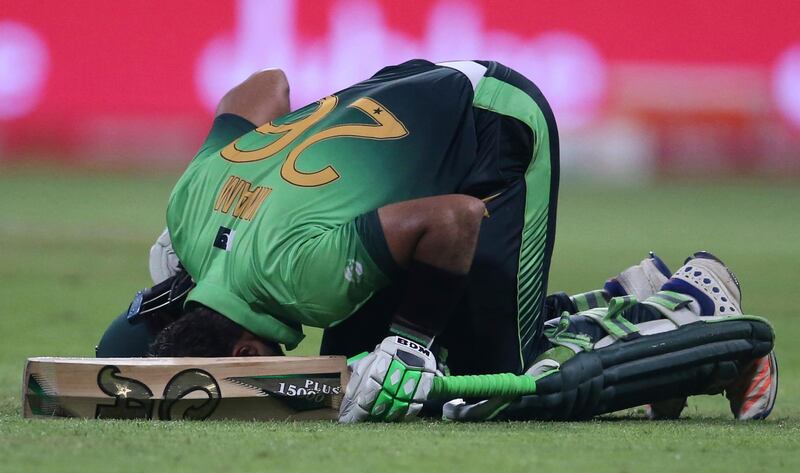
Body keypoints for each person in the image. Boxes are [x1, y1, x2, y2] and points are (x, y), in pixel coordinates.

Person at [96, 60, 776, 423]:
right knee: (361, 367)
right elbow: (267, 85)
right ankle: (636, 297)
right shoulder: (189, 202)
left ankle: (692, 298)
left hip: (492, 124)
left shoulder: (305, 275)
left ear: (246, 349)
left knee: (504, 381)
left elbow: (454, 220)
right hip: (406, 90)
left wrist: (410, 340)